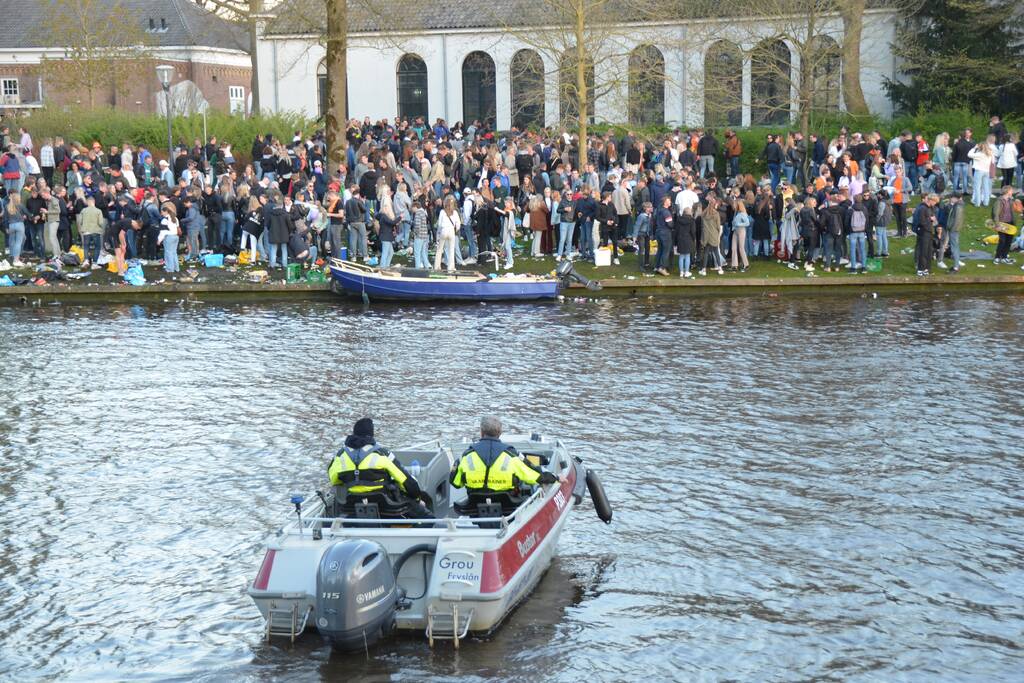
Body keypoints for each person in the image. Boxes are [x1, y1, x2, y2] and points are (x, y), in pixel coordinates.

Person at [327, 417, 427, 515]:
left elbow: (334, 480)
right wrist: (417, 498)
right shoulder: (382, 454)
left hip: (351, 506)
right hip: (386, 507)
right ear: (371, 434)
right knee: (427, 517)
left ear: (354, 433)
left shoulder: (340, 456)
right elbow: (405, 480)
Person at [449, 417, 557, 497]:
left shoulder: (467, 456)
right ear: (500, 433)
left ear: (481, 432)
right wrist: (554, 477)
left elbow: (456, 483)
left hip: (473, 506)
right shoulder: (511, 456)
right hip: (507, 505)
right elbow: (534, 477)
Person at [913, 193, 939, 276]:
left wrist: (932, 219)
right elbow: (922, 221)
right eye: (935, 202)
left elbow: (931, 217)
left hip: (929, 231)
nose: (935, 204)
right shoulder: (922, 208)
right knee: (923, 251)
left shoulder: (930, 208)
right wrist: (930, 219)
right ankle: (920, 269)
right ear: (930, 200)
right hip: (923, 232)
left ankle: (927, 269)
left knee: (928, 251)